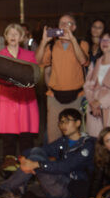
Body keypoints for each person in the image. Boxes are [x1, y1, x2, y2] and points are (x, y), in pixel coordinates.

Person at [0, 108, 95, 198]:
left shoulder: (87, 145)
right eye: (61, 122)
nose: (63, 125)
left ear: (78, 123)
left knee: (37, 160)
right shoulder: (63, 141)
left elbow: (66, 166)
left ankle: (6, 190)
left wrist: (37, 164)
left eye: (67, 121)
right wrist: (22, 158)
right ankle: (14, 191)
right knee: (36, 152)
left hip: (69, 190)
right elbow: (42, 150)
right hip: (57, 181)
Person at [36, 13, 89, 143]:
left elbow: (83, 60)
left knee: (76, 134)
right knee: (54, 133)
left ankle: (76, 160)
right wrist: (43, 41)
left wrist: (72, 40)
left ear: (74, 27)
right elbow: (37, 61)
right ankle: (56, 161)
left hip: (76, 96)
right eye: (62, 23)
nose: (64, 26)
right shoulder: (52, 46)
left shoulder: (82, 43)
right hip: (54, 97)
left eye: (68, 23)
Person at [0, 23, 39, 169]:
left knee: (26, 138)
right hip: (7, 99)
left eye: (16, 34)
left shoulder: (29, 55)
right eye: (10, 33)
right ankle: (9, 170)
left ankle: (27, 169)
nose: (13, 36)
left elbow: (33, 77)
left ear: (21, 37)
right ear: (5, 37)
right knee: (9, 138)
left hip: (26, 100)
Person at [73, 127, 110, 198]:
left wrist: (104, 197)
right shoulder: (104, 157)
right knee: (75, 185)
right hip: (106, 189)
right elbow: (97, 179)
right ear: (104, 146)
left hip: (107, 193)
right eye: (108, 141)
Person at [83, 33, 110, 137]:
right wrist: (92, 102)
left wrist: (100, 102)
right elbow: (87, 85)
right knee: (96, 142)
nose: (105, 43)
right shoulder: (95, 63)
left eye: (108, 40)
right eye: (102, 40)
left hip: (107, 106)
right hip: (94, 110)